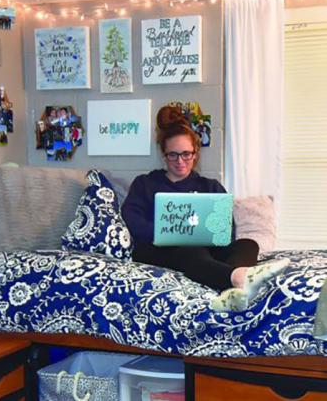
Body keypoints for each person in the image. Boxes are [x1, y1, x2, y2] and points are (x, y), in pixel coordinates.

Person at [121, 105, 289, 312]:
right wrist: (168, 232)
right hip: (158, 250)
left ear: (195, 154)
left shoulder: (210, 187)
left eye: (186, 154)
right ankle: (238, 278)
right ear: (164, 155)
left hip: (205, 250)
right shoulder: (145, 183)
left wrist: (208, 234)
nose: (180, 161)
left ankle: (230, 287)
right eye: (173, 155)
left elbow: (227, 230)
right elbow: (132, 221)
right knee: (190, 249)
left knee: (248, 244)